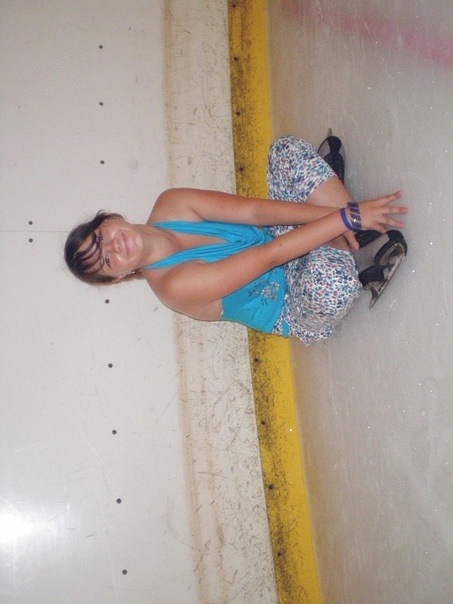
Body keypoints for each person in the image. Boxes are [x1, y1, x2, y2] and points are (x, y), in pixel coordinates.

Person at [64, 136, 407, 344]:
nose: (114, 248)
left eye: (101, 238)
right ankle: (353, 250)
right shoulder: (173, 286)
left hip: (281, 237)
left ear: (110, 219)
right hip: (292, 300)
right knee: (331, 284)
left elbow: (255, 213)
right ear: (120, 276)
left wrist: (337, 215)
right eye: (107, 261)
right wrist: (344, 217)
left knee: (285, 151)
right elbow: (270, 257)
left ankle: (348, 235)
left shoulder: (171, 203)